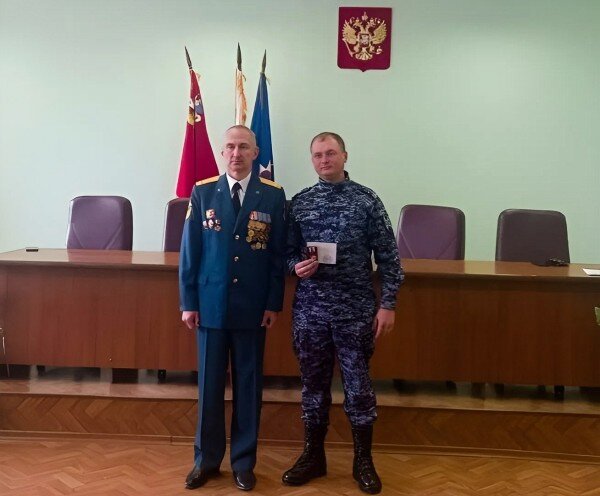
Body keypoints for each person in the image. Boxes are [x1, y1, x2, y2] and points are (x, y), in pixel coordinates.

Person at [282, 132, 403, 494]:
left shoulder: (366, 200)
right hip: (311, 312)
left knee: (359, 389)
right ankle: (313, 456)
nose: (324, 160)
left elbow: (389, 258)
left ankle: (362, 460)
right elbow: (284, 254)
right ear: (312, 160)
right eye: (318, 155)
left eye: (331, 153)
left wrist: (388, 304)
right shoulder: (300, 203)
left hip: (355, 312)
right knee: (313, 389)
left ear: (345, 156)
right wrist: (295, 266)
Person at [179, 125, 286, 491]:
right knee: (209, 388)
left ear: (255, 153)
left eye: (243, 147)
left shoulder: (272, 195)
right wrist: (188, 302)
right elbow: (191, 252)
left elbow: (277, 256)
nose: (236, 153)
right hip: (210, 305)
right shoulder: (203, 191)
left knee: (248, 387)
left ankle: (243, 462)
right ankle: (206, 461)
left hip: (253, 307)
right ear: (222, 152)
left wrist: (273, 302)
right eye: (230, 147)